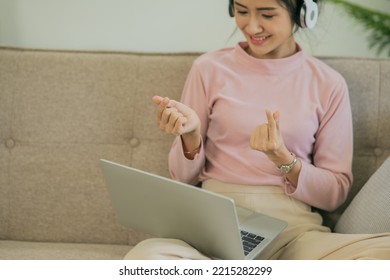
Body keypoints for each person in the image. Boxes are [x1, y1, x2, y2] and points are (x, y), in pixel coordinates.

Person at [124, 0, 390, 259]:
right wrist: (190, 137)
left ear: (303, 13)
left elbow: (335, 193)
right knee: (147, 258)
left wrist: (284, 160)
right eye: (241, 11)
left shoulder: (329, 83)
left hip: (294, 234)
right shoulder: (208, 69)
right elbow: (181, 179)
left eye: (267, 14)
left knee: (381, 253)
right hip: (214, 231)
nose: (252, 26)